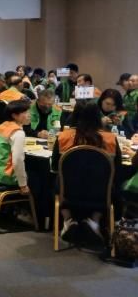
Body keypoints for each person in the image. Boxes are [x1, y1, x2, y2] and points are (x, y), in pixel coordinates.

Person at [51, 101, 121, 244]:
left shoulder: (63, 136)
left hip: (69, 191)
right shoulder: (111, 139)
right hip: (101, 193)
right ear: (98, 116)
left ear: (74, 115)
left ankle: (68, 220)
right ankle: (94, 220)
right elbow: (117, 169)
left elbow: (54, 167)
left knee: (56, 179)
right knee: (111, 183)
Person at [0, 100, 31, 193]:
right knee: (36, 176)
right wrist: (23, 185)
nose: (29, 115)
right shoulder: (18, 133)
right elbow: (17, 161)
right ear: (14, 115)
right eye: (25, 112)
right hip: (2, 176)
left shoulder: (2, 126)